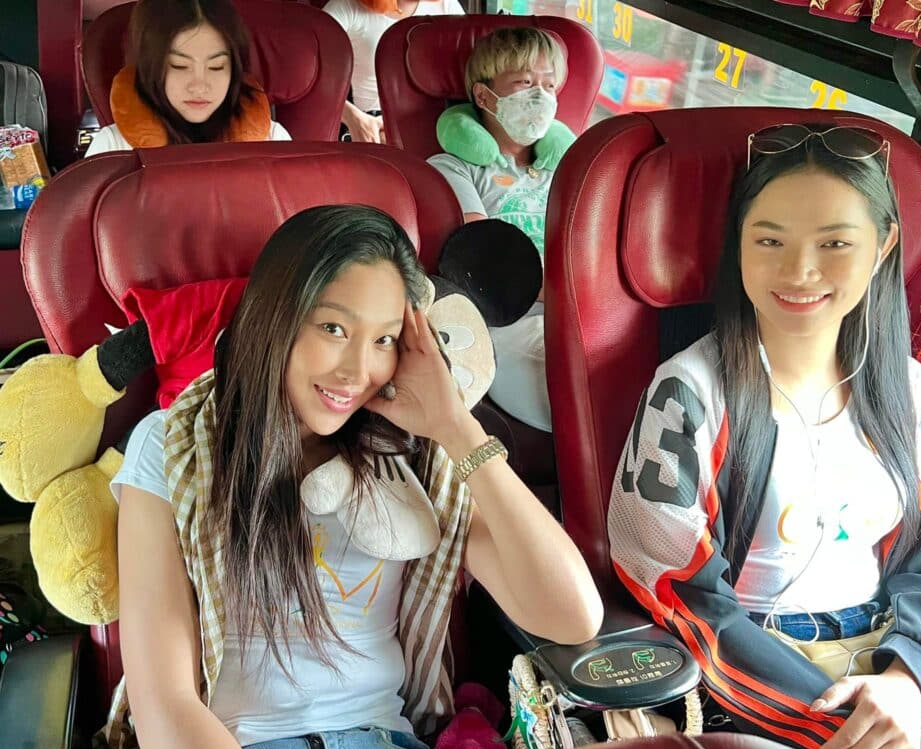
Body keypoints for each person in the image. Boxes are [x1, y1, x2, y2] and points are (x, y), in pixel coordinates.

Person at [102, 205, 603, 749]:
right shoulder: (173, 445)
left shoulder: (416, 456)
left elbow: (571, 616)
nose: (356, 371)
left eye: (384, 340)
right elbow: (164, 702)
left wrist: (455, 426)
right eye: (334, 329)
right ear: (276, 317)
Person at [608, 125, 921, 749]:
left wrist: (910, 680)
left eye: (835, 243)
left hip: (893, 661)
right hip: (757, 675)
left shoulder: (905, 388)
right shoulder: (689, 392)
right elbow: (678, 589)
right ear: (738, 244)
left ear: (882, 246)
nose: (800, 271)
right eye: (769, 241)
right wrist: (839, 726)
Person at [428, 28, 575, 433]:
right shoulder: (452, 168)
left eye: (549, 85)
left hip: (579, 304)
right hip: (510, 317)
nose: (540, 96)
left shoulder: (571, 168)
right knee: (566, 388)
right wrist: (562, 290)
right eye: (525, 83)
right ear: (484, 96)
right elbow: (484, 260)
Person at [85, 0, 290, 157]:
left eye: (216, 67)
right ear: (150, 68)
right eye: (179, 66)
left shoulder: (272, 140)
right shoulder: (112, 148)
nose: (199, 86)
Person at [322, 0, 464, 144]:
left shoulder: (447, 6)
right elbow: (313, 76)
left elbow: (467, 72)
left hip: (436, 120)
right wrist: (353, 117)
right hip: (374, 121)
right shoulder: (346, 6)